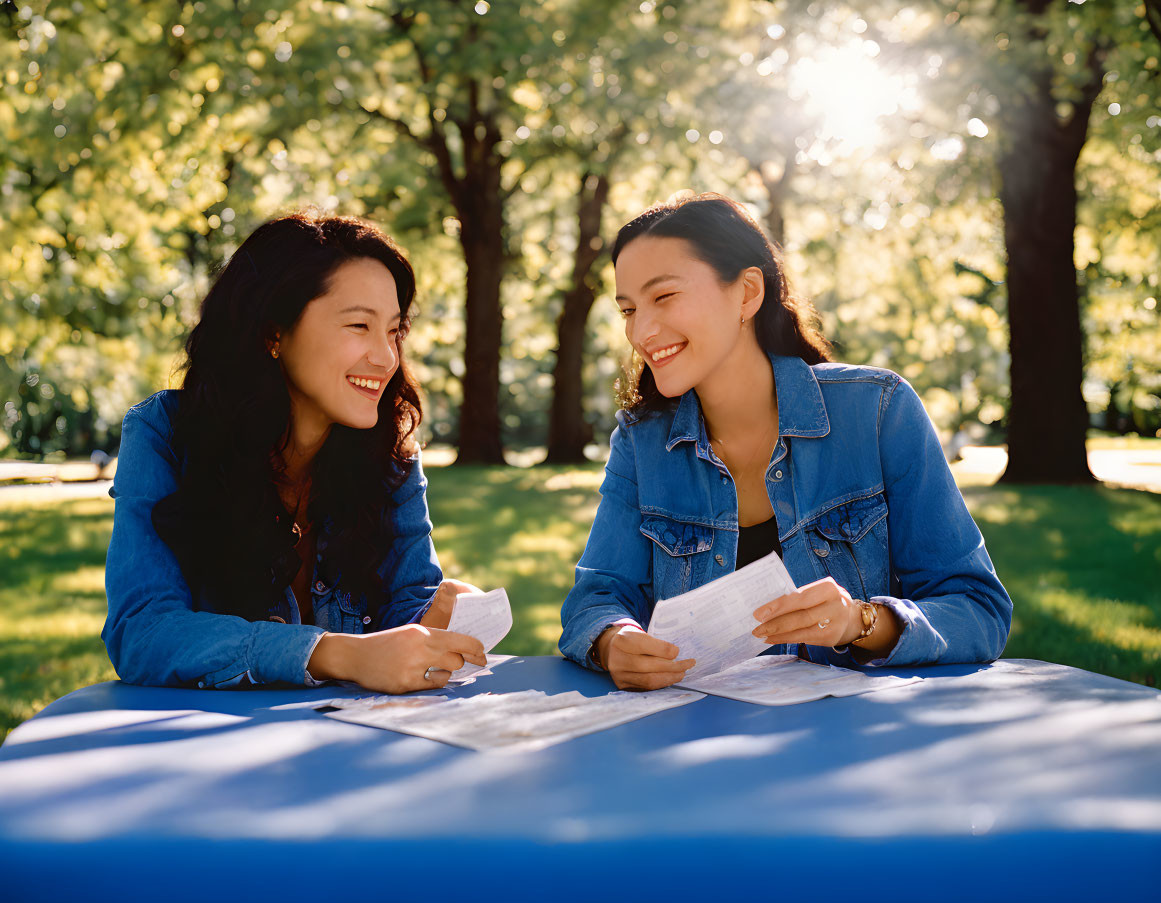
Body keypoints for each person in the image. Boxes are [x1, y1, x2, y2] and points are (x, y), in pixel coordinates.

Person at [559, 194, 1012, 690]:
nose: (641, 331)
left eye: (663, 297)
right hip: (693, 744)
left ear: (748, 293)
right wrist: (614, 640)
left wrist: (859, 621)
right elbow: (597, 596)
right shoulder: (640, 442)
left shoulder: (879, 411)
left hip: (850, 743)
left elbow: (978, 609)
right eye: (628, 309)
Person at [103, 213, 486, 693]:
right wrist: (333, 653)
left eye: (393, 331)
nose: (386, 357)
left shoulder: (389, 453)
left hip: (355, 746)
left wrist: (436, 613)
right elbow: (142, 632)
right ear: (274, 333)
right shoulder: (165, 434)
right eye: (359, 326)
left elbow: (401, 616)